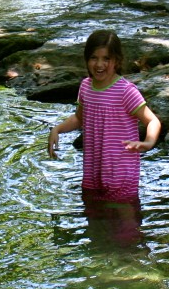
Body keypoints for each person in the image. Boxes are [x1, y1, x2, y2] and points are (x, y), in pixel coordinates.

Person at [47, 30, 161, 204]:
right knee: (94, 216)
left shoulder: (125, 91)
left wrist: (148, 142)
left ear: (117, 61)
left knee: (124, 222)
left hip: (120, 172)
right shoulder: (86, 87)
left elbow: (152, 120)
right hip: (93, 168)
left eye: (106, 58)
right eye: (94, 58)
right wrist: (57, 129)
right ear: (86, 59)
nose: (99, 64)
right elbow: (79, 118)